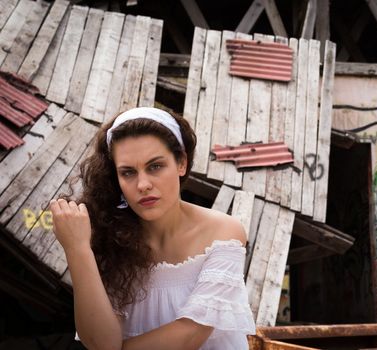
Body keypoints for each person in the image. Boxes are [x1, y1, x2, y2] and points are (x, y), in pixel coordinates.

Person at [49, 107, 256, 350]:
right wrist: (78, 249)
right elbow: (101, 343)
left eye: (155, 166)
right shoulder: (110, 239)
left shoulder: (223, 233)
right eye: (128, 172)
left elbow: (189, 335)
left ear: (181, 163)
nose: (143, 184)